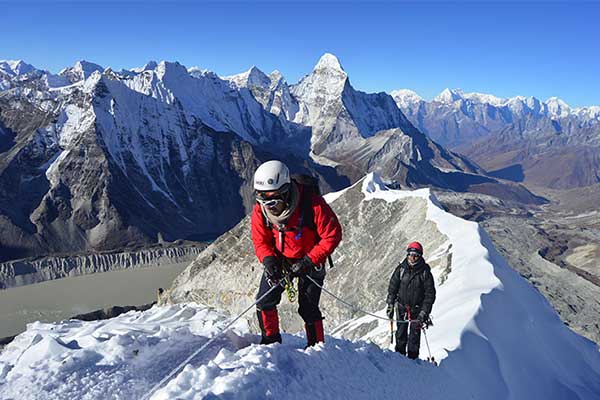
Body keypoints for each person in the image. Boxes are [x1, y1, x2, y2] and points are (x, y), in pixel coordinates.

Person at [251, 160, 342, 347]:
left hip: (310, 258)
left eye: (273, 201)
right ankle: (271, 342)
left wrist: (309, 260)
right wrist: (268, 260)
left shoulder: (313, 205)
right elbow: (260, 240)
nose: (268, 206)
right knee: (265, 300)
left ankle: (316, 348)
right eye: (263, 201)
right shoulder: (261, 211)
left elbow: (332, 235)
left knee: (308, 307)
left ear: (285, 192)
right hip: (281, 258)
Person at [386, 241, 436, 359]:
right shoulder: (401, 269)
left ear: (420, 256)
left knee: (414, 335)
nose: (413, 257)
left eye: (416, 255)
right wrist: (390, 304)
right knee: (401, 333)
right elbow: (393, 287)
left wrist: (424, 312)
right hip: (402, 306)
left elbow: (430, 295)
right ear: (407, 254)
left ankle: (412, 360)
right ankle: (399, 357)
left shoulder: (425, 273)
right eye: (410, 254)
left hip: (417, 310)